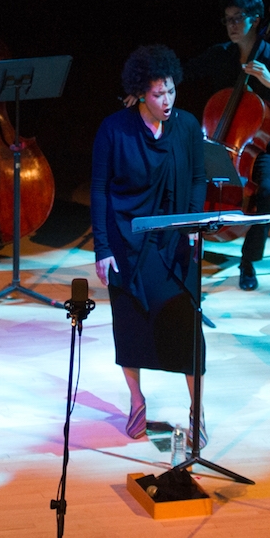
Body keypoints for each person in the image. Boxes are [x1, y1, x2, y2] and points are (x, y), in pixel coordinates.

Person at [91, 45, 207, 443]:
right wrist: (103, 248)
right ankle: (137, 400)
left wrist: (192, 221)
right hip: (126, 242)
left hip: (173, 244)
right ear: (141, 93)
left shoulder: (188, 126)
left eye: (171, 91)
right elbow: (101, 190)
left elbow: (197, 177)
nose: (167, 101)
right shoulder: (114, 129)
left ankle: (197, 410)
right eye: (158, 94)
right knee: (131, 327)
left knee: (187, 327)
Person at [182, 0, 270, 291]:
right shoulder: (220, 55)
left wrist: (269, 81)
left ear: (256, 20)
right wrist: (150, 84)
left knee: (269, 192)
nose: (231, 25)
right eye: (227, 19)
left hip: (266, 149)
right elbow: (183, 73)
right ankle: (186, 253)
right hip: (221, 146)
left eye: (237, 19)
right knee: (186, 176)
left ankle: (248, 262)